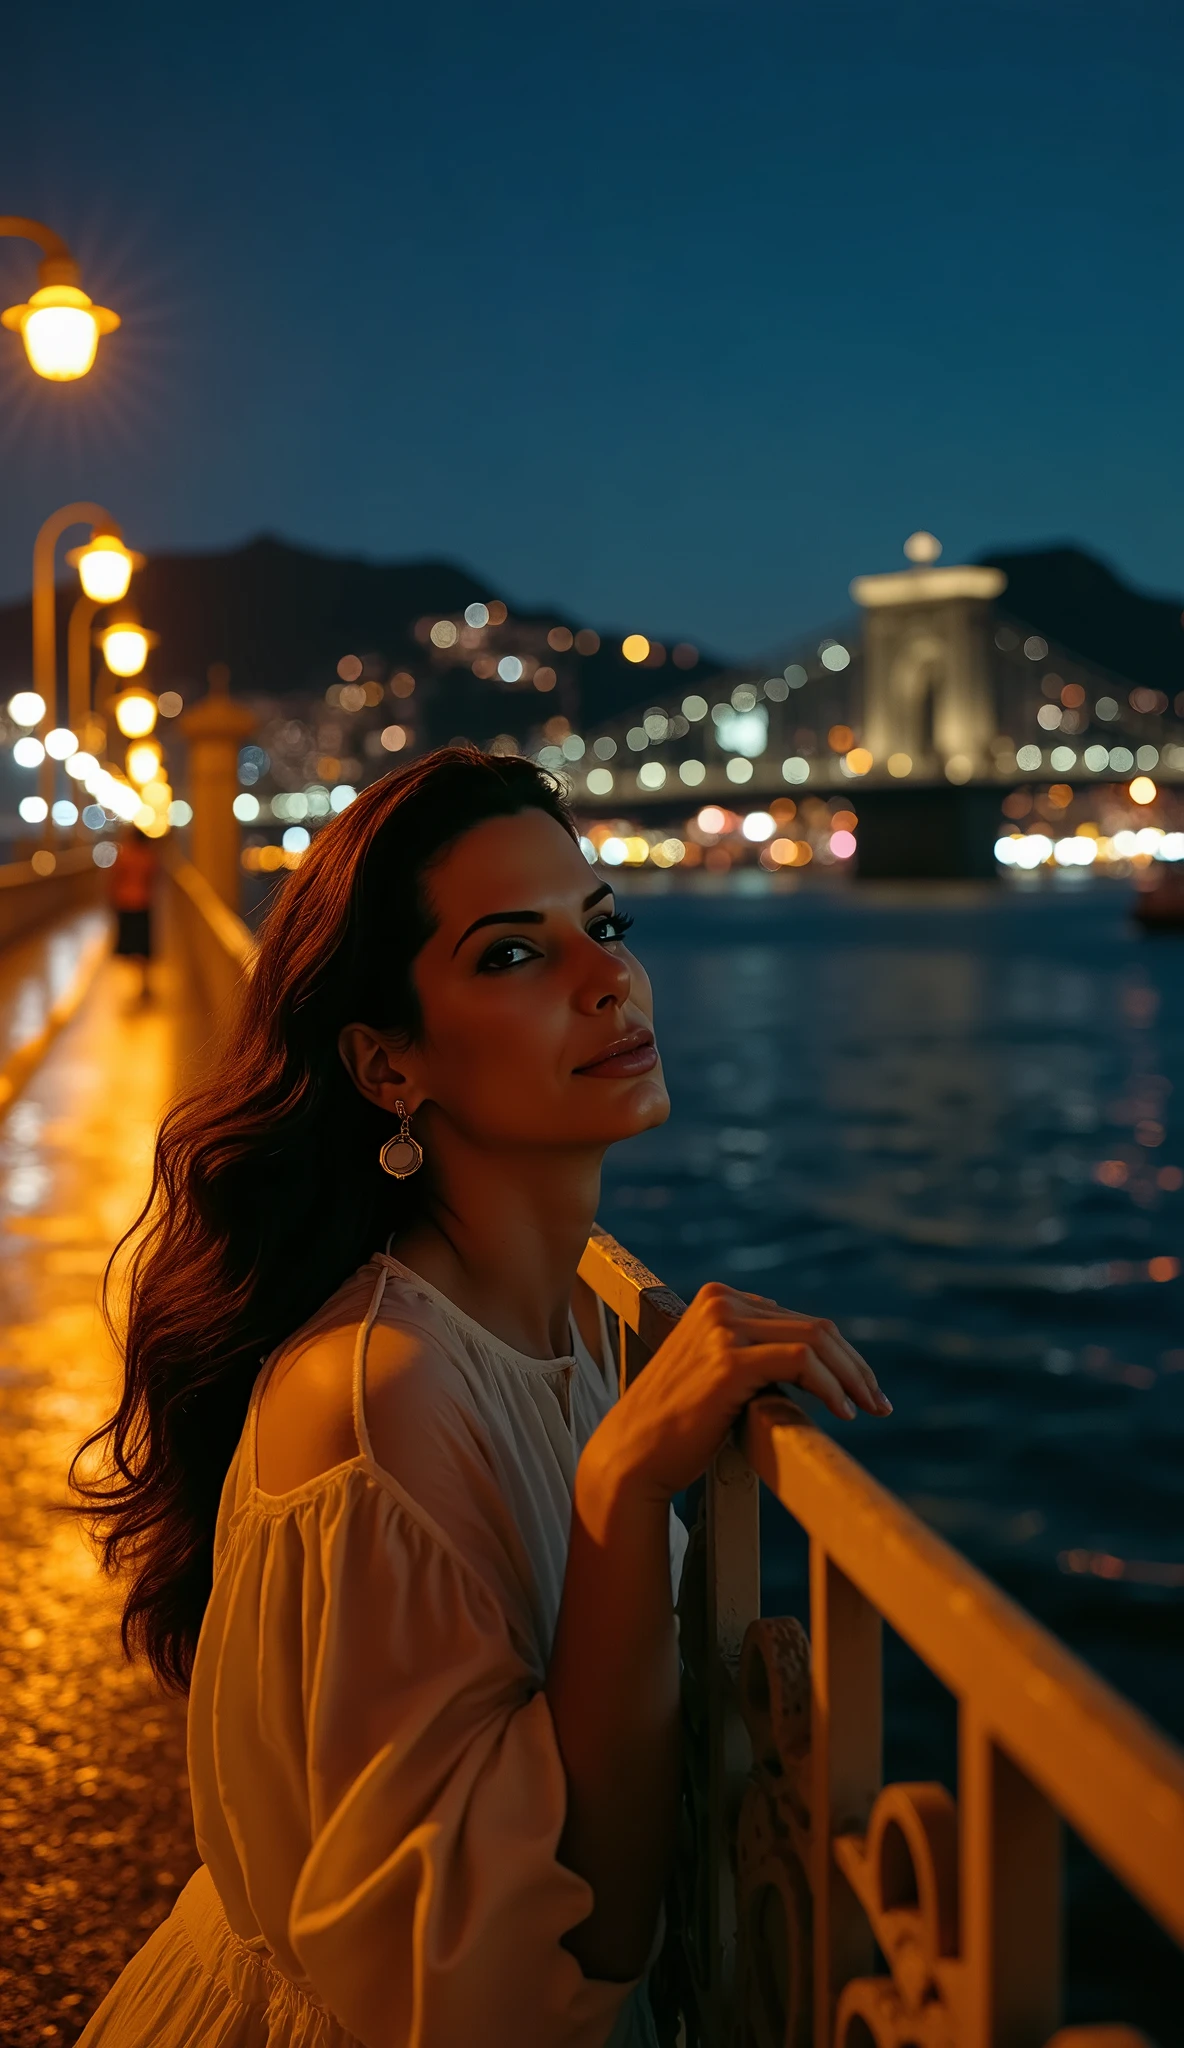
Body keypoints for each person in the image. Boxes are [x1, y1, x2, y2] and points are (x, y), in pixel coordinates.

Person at [71, 747, 890, 2048]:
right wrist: (624, 1483)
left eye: (603, 924)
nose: (606, 978)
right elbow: (532, 1972)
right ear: (387, 1065)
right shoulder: (379, 1400)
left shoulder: (552, 1318)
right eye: (513, 953)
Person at [108, 824, 159, 1001]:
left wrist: (112, 900)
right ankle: (144, 982)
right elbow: (153, 878)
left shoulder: (124, 855)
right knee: (143, 946)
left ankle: (137, 981)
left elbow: (114, 878)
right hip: (143, 903)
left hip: (125, 903)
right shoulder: (148, 856)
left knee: (130, 944)